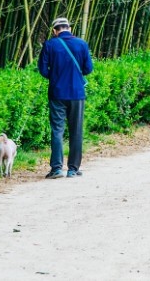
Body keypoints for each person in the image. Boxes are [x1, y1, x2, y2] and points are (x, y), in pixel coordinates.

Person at [37, 16, 94, 179]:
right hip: (77, 94)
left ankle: (56, 169)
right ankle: (73, 169)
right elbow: (88, 69)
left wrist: (55, 77)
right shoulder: (81, 44)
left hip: (56, 93)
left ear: (55, 31)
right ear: (69, 28)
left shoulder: (49, 44)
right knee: (76, 131)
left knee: (57, 130)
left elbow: (42, 69)